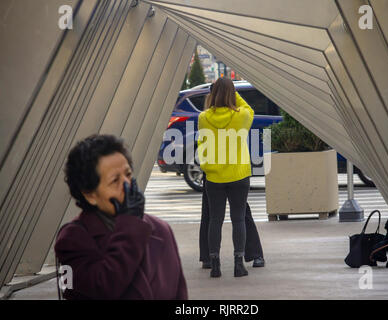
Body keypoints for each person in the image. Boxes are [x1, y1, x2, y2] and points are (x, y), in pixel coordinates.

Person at [54, 134, 188, 299]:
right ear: (90, 195)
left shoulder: (161, 229)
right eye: (115, 181)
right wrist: (130, 225)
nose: (127, 185)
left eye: (128, 174)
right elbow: (103, 288)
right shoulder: (72, 240)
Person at [197, 77, 254, 278]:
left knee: (215, 220)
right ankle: (239, 264)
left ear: (212, 94)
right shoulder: (241, 116)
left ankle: (215, 265)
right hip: (238, 175)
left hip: (214, 177)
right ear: (232, 94)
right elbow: (249, 109)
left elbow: (202, 144)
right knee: (238, 219)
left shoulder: (203, 118)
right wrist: (233, 93)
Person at [199, 173, 265, 269]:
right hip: (236, 172)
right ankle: (252, 254)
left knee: (212, 214)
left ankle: (209, 257)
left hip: (214, 172)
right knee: (240, 214)